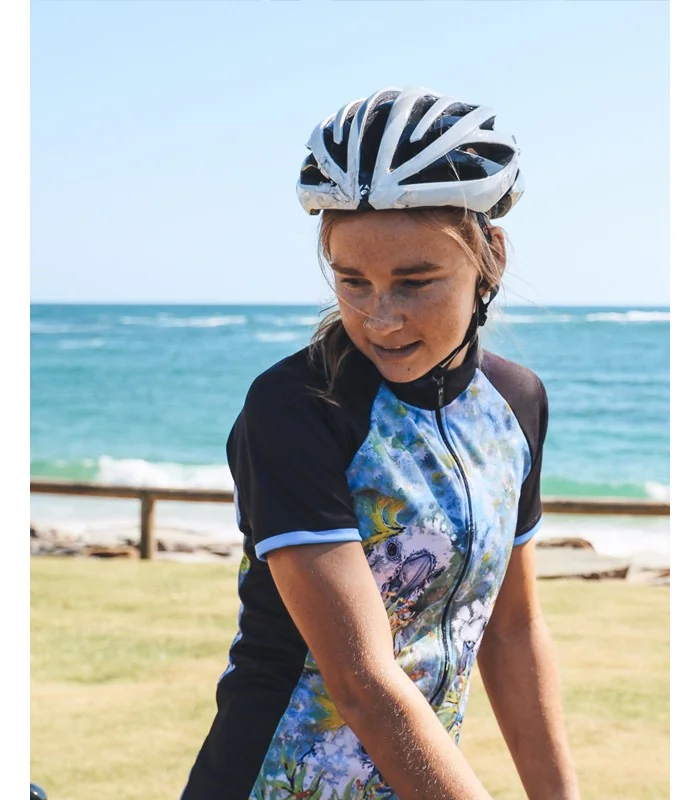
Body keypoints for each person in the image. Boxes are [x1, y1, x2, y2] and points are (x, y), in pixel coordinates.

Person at [181, 86, 580, 800]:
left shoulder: (516, 403)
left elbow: (512, 630)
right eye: (351, 281)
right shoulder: (298, 408)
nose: (381, 317)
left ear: (490, 255)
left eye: (415, 281)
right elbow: (362, 682)